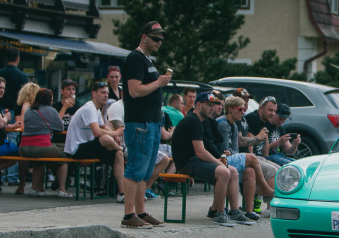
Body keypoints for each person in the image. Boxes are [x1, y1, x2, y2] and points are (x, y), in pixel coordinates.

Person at [171, 90, 255, 227]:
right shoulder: (193, 121)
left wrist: (221, 160)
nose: (212, 108)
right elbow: (200, 152)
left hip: (195, 160)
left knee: (232, 171)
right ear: (198, 105)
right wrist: (219, 163)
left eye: (213, 105)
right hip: (186, 162)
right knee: (224, 171)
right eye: (209, 105)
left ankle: (234, 211)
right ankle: (220, 213)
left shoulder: (202, 121)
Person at [119, 21, 170, 229]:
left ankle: (140, 211)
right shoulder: (135, 58)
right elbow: (134, 90)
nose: (159, 42)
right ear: (144, 37)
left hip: (151, 122)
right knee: (135, 169)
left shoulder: (146, 60)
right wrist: (159, 83)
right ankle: (128, 214)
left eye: (161, 39)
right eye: (156, 38)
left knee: (145, 171)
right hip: (140, 123)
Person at [64, 81, 126, 203]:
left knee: (117, 155)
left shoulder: (97, 109)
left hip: (89, 147)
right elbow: (97, 132)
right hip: (76, 148)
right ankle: (122, 149)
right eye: (102, 92)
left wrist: (113, 134)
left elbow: (102, 126)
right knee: (105, 139)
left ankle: (122, 193)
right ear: (94, 94)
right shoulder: (89, 108)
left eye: (107, 92)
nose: (106, 95)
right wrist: (116, 134)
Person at [217, 95, 274, 220]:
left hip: (230, 157)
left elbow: (234, 149)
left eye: (244, 109)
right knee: (252, 158)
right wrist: (231, 152)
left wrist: (231, 152)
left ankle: (249, 210)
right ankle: (266, 190)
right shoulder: (223, 124)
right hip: (219, 160)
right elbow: (223, 149)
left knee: (250, 171)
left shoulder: (235, 125)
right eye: (240, 109)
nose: (243, 112)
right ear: (230, 109)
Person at [106, 99, 170, 201]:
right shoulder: (117, 106)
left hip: (140, 143)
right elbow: (119, 129)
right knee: (139, 161)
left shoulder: (141, 106)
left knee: (164, 159)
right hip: (123, 145)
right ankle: (128, 194)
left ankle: (143, 190)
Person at [20, 88, 72, 198]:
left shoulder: (29, 110)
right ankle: (62, 189)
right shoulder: (51, 110)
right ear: (49, 100)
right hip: (41, 146)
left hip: (24, 148)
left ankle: (34, 188)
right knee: (63, 158)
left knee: (40, 160)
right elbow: (59, 127)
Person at [0, 47, 29, 186]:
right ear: (17, 59)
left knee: (0, 139)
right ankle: (13, 176)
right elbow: (25, 96)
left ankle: (0, 175)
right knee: (14, 140)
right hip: (16, 111)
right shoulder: (22, 76)